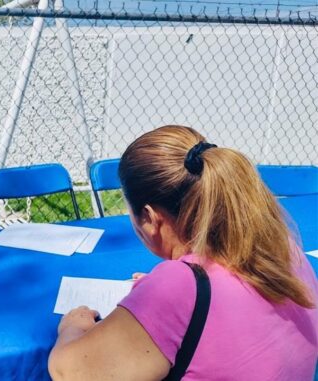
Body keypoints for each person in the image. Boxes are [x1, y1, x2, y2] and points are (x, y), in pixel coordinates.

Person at [48, 125, 318, 380]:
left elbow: (70, 372)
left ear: (150, 218)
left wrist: (73, 326)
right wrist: (159, 296)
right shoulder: (283, 249)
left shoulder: (180, 285)